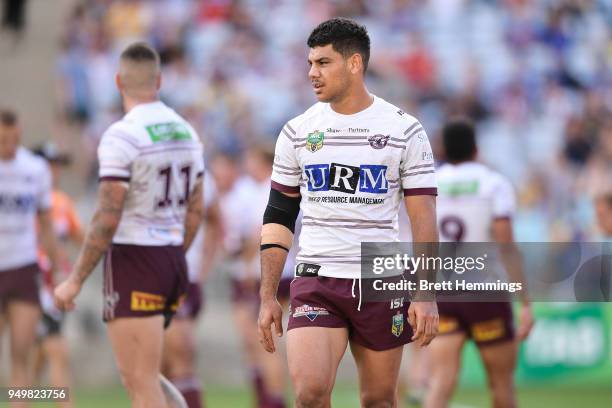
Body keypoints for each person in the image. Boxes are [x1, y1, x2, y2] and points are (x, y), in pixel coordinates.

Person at [257, 18, 439, 407]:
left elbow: (424, 218)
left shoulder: (404, 130)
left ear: (354, 64)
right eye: (310, 63)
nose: (312, 73)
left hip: (380, 276)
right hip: (316, 277)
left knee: (378, 399)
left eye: (323, 63)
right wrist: (267, 294)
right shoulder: (297, 132)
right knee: (309, 393)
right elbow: (278, 216)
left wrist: (425, 293)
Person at [53, 42, 205, 408]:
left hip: (135, 259)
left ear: (118, 81)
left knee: (139, 383)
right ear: (160, 80)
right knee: (148, 377)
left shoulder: (121, 136)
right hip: (172, 258)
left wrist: (74, 280)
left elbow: (107, 215)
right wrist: (173, 255)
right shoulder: (187, 132)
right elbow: (196, 209)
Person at [425, 118, 534, 408]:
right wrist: (525, 301)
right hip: (486, 292)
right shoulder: (494, 184)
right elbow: (506, 245)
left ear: (443, 149)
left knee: (440, 382)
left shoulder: (431, 183)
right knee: (501, 384)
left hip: (444, 292)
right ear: (476, 148)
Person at [210, 150, 287, 408]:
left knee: (264, 343)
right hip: (256, 274)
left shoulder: (262, 190)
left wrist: (241, 260)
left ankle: (273, 401)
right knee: (253, 344)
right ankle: (266, 399)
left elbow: (260, 234)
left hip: (262, 276)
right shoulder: (248, 191)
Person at [0, 109, 58, 404]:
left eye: (14, 139)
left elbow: (46, 223)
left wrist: (57, 270)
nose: (9, 146)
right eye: (3, 140)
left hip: (23, 265)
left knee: (20, 355)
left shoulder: (35, 168)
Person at [162, 173, 221, 408]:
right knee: (162, 363)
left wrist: (205, 264)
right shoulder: (149, 164)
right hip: (157, 275)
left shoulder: (202, 175)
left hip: (187, 278)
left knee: (182, 351)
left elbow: (216, 219)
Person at [32, 143, 84, 408]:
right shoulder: (27, 198)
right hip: (33, 285)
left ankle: (20, 401)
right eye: (49, 165)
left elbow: (81, 239)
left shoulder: (62, 203)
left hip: (56, 287)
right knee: (57, 351)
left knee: (37, 360)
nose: (55, 171)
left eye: (56, 165)